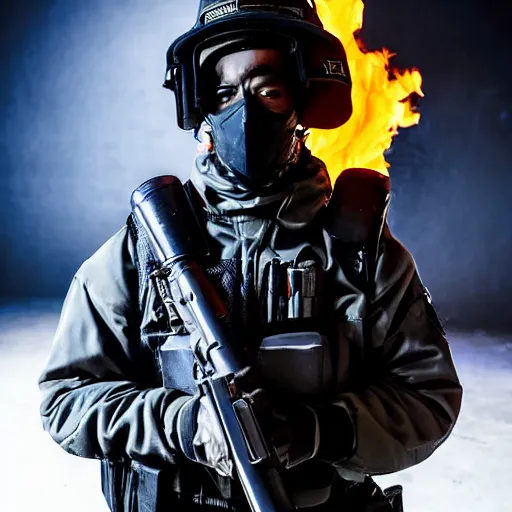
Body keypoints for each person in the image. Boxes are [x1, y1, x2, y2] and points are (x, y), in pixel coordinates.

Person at [38, 1, 463, 511]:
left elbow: (429, 397)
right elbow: (66, 400)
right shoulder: (144, 250)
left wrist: (321, 430)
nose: (246, 112)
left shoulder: (361, 255)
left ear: (303, 103)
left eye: (269, 91)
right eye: (224, 93)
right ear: (203, 110)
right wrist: (185, 424)